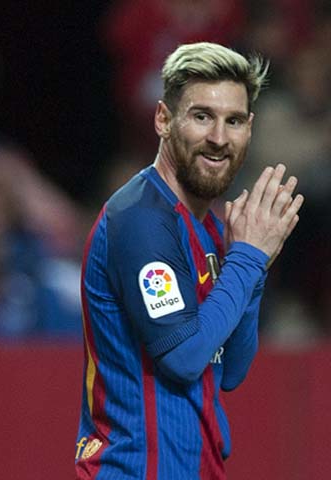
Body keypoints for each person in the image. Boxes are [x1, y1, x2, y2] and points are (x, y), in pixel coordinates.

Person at [74, 42, 304, 478]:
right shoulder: (141, 218)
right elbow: (182, 357)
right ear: (163, 119)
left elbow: (231, 369)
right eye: (202, 116)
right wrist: (249, 259)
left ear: (249, 129)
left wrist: (250, 268)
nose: (219, 138)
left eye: (233, 120)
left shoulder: (208, 229)